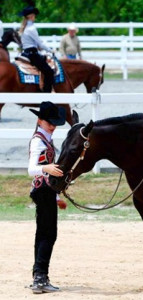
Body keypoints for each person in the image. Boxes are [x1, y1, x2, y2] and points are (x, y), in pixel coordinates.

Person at [28, 101, 67, 294]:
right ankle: (40, 277)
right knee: (48, 233)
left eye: (54, 123)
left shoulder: (46, 139)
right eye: (49, 123)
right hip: (43, 191)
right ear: (40, 121)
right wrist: (47, 168)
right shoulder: (38, 141)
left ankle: (39, 274)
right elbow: (31, 169)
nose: (53, 126)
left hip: (46, 192)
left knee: (43, 232)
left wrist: (56, 196)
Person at [18, 5, 55, 92]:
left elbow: (31, 43)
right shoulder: (31, 28)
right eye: (34, 15)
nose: (35, 17)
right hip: (33, 55)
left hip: (26, 53)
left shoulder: (25, 28)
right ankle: (47, 93)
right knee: (49, 71)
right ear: (30, 16)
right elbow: (40, 43)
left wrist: (38, 47)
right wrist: (50, 50)